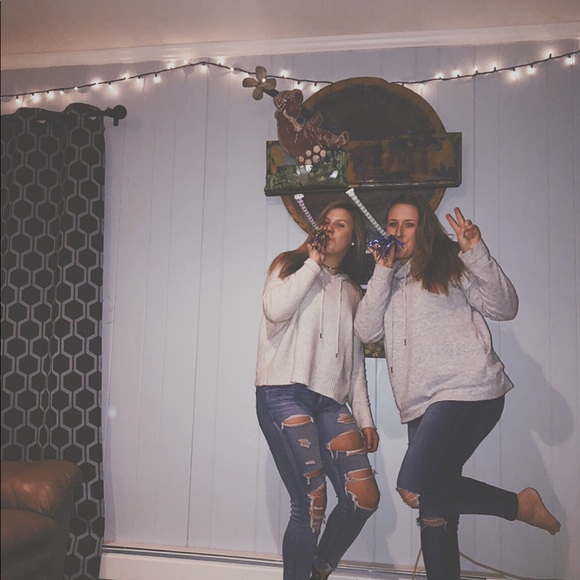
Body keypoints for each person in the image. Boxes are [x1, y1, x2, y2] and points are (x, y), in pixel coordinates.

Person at [354, 192, 561, 580]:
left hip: (467, 390)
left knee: (414, 485)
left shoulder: (448, 261)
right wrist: (382, 271)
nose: (399, 232)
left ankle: (518, 506)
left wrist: (475, 251)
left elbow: (505, 308)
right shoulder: (388, 281)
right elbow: (366, 331)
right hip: (420, 405)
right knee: (434, 512)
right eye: (393, 224)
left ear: (423, 228)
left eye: (409, 224)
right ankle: (518, 507)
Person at [255, 200, 381, 580]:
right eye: (326, 221)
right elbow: (275, 311)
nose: (330, 228)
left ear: (353, 239)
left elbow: (355, 366)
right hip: (283, 392)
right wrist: (312, 262)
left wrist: (365, 418)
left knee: (364, 498)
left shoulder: (353, 292)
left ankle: (316, 570)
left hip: (329, 402)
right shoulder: (289, 265)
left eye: (341, 225)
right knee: (311, 501)